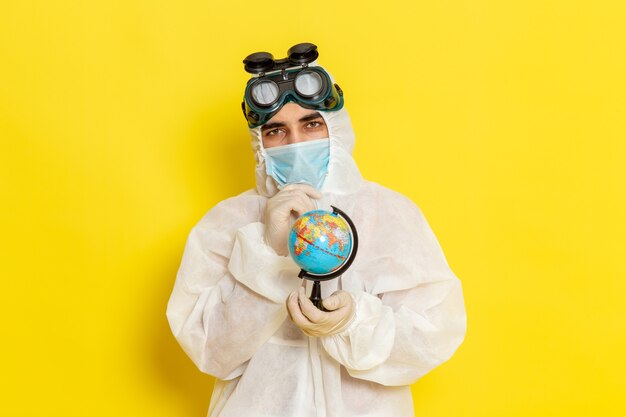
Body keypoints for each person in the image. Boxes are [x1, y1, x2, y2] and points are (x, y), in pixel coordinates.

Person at [166, 43, 467, 417]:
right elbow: (209, 349)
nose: (294, 143)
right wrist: (269, 253)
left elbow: (434, 334)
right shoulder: (225, 223)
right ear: (260, 143)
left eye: (310, 124)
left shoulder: (390, 214)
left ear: (335, 127)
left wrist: (352, 322)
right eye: (276, 131)